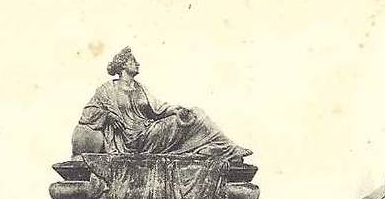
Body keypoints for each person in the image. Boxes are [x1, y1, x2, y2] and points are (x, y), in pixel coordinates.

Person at [73, 47, 252, 162]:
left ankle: (225, 148)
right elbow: (88, 113)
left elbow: (159, 108)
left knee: (194, 114)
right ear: (122, 66)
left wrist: (176, 109)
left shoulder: (141, 88)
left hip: (149, 132)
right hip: (132, 141)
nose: (137, 64)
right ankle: (224, 150)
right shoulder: (106, 89)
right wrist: (107, 116)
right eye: (132, 61)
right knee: (193, 119)